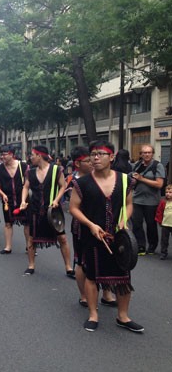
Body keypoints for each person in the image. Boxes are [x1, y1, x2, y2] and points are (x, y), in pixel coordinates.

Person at [70, 140, 143, 333]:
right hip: (93, 236)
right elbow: (73, 209)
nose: (95, 157)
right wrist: (91, 225)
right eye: (93, 154)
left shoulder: (125, 180)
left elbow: (128, 204)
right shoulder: (82, 182)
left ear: (112, 157)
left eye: (100, 154)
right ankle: (93, 314)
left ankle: (123, 316)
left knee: (123, 277)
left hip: (119, 238)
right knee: (92, 276)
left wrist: (124, 219)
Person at [68, 146, 116, 308]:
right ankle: (84, 295)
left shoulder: (110, 178)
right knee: (82, 262)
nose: (92, 161)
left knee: (107, 259)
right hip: (82, 227)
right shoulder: (77, 181)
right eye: (88, 159)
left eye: (96, 157)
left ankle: (107, 293)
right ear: (78, 163)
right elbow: (73, 206)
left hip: (106, 226)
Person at [20, 145, 73, 277]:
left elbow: (63, 186)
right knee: (31, 238)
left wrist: (56, 200)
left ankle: (68, 266)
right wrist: (23, 201)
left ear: (39, 155)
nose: (30, 157)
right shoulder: (30, 172)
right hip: (35, 209)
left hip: (53, 211)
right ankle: (31, 265)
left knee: (62, 238)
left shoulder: (56, 170)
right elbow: (26, 187)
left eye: (32, 155)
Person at [0, 145, 29, 254]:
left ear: (12, 154)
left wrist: (24, 199)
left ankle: (29, 247)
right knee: (8, 223)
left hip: (23, 199)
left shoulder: (23, 166)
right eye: (2, 154)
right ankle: (8, 247)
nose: (2, 157)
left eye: (5, 154)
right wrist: (2, 194)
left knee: (27, 223)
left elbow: (28, 183)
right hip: (8, 199)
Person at [131, 144, 165, 255]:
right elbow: (134, 180)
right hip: (137, 199)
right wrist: (134, 180)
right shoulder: (137, 165)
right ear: (141, 154)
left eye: (149, 152)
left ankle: (152, 245)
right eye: (144, 152)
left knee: (151, 224)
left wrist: (142, 179)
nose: (146, 154)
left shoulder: (157, 166)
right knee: (136, 224)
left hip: (151, 201)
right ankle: (141, 246)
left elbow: (159, 184)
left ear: (152, 153)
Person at [155, 184, 172, 260]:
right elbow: (159, 212)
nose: (168, 194)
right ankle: (163, 252)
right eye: (167, 192)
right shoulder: (163, 202)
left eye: (170, 192)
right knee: (164, 240)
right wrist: (159, 221)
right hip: (165, 224)